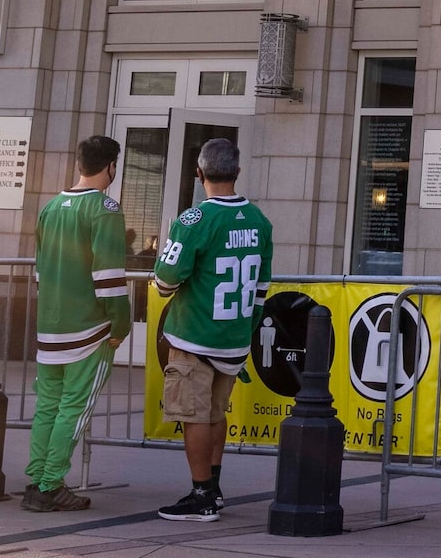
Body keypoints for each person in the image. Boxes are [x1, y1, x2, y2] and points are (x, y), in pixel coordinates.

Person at [149, 135, 268, 523]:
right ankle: (214, 488)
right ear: (237, 171)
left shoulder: (194, 218)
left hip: (196, 333)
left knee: (195, 416)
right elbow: (261, 289)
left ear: (199, 173)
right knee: (216, 413)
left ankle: (201, 493)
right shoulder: (258, 220)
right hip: (233, 336)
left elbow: (166, 278)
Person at [26, 135, 135, 512]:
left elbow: (40, 272)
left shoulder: (51, 207)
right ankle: (51, 483)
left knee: (48, 406)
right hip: (88, 329)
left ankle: (37, 477)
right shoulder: (105, 209)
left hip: (50, 324)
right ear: (110, 167)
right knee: (74, 408)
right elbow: (108, 277)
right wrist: (120, 325)